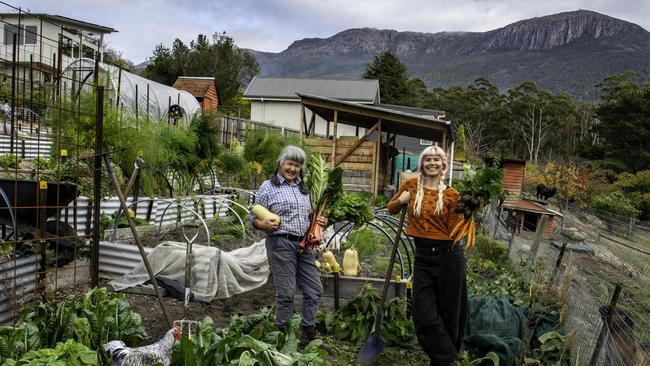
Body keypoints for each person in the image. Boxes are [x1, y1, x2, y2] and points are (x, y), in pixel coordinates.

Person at [387, 145, 467, 366]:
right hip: (423, 256)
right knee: (422, 312)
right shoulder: (411, 186)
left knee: (449, 312)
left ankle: (439, 361)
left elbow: (456, 231)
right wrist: (401, 201)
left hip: (449, 257)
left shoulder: (452, 194)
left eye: (437, 159)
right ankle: (449, 360)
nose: (432, 163)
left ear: (444, 165)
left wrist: (465, 218)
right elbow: (391, 207)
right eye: (428, 159)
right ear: (422, 164)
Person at [251, 145, 328, 347]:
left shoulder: (306, 188)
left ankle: (307, 333)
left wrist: (320, 221)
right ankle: (281, 335)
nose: (293, 169)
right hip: (280, 242)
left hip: (303, 245)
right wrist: (262, 224)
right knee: (286, 293)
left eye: (298, 165)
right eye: (290, 163)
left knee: (314, 289)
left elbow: (312, 216)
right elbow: (253, 217)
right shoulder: (268, 187)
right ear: (281, 163)